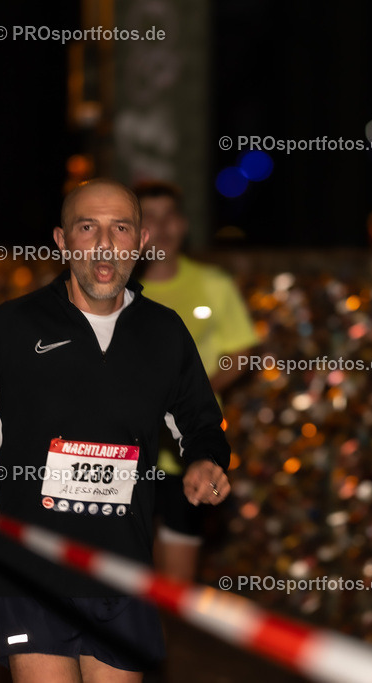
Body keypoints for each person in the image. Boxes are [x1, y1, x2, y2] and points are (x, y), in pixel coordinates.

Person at [0, 178, 231, 683]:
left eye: (120, 228)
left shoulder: (164, 332)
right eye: (86, 227)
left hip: (123, 569)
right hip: (30, 568)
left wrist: (207, 460)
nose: (103, 244)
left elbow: (202, 422)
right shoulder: (14, 327)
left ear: (140, 243)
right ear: (62, 241)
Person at [134, 180, 258, 583]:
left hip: (191, 452)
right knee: (122, 578)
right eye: (149, 218)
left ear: (184, 225)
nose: (162, 227)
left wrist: (188, 396)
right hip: (125, 453)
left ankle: (159, 646)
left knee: (174, 584)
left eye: (169, 216)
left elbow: (241, 353)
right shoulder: (113, 289)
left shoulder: (213, 285)